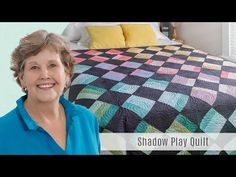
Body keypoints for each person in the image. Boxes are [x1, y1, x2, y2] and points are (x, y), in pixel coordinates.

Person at [0, 30, 100, 155]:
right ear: (22, 78)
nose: (44, 75)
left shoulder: (87, 119)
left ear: (67, 74)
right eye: (34, 67)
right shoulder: (3, 132)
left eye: (52, 65)